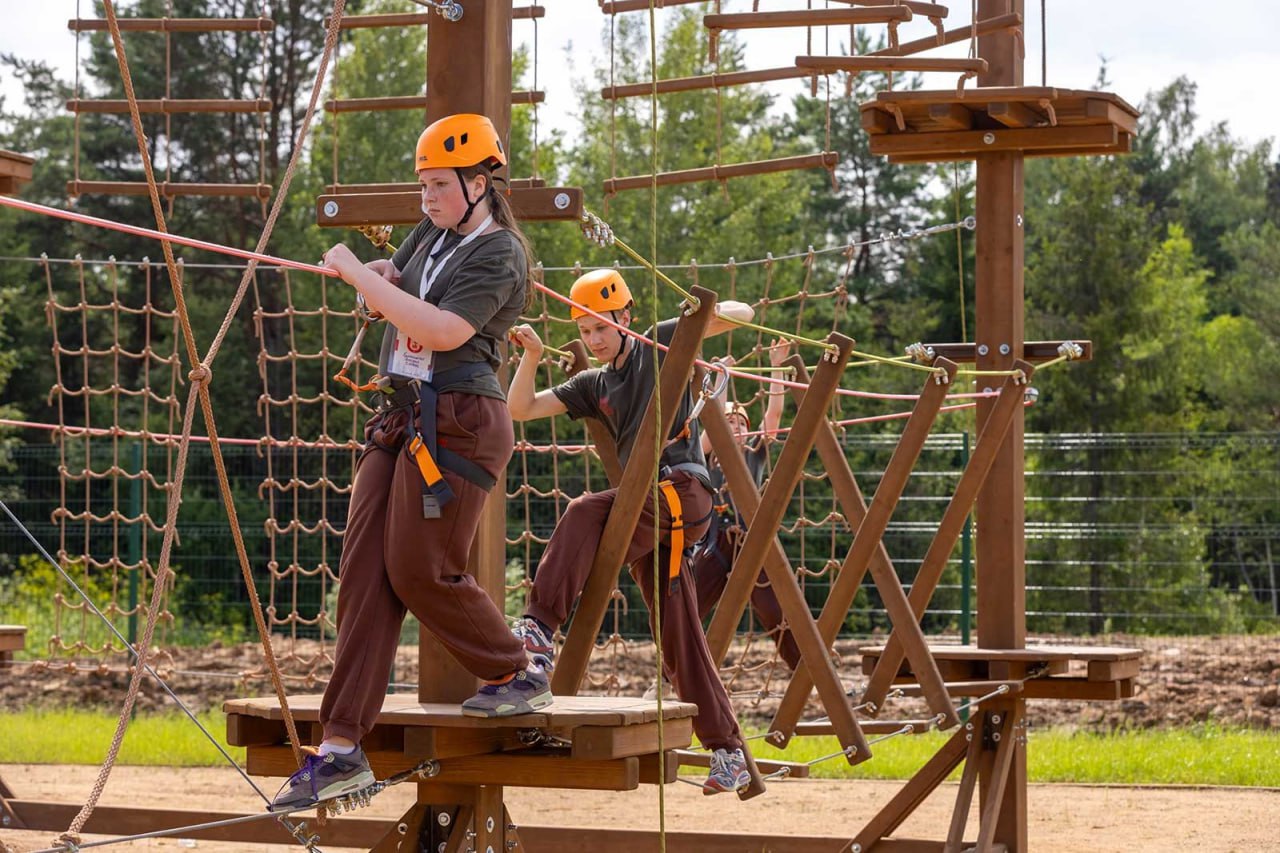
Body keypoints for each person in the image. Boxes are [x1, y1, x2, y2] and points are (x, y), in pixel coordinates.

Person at [270, 114, 547, 811]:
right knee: (364, 571)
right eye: (421, 185)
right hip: (404, 413)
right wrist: (372, 273)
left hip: (460, 420)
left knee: (419, 569)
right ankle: (339, 746)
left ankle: (515, 668)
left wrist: (365, 278)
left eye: (440, 185)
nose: (427, 198)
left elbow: (442, 327)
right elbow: (405, 280)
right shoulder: (436, 231)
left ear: (482, 183)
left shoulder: (501, 253)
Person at [505, 269, 757, 795]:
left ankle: (538, 627)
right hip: (647, 510)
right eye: (585, 329)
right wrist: (530, 357)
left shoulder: (658, 344)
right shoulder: (594, 384)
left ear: (626, 319)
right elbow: (521, 409)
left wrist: (695, 320)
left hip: (681, 493)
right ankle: (728, 749)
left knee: (582, 511)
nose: (595, 339)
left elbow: (744, 315)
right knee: (679, 633)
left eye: (603, 326)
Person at [692, 340, 801, 672]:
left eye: (741, 424)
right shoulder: (706, 458)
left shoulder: (754, 455)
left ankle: (804, 671)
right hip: (716, 543)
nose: (737, 428)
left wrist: (777, 367)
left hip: (752, 543)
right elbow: (713, 426)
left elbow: (775, 415)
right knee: (687, 607)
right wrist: (718, 380)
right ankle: (673, 673)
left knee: (775, 613)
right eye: (732, 423)